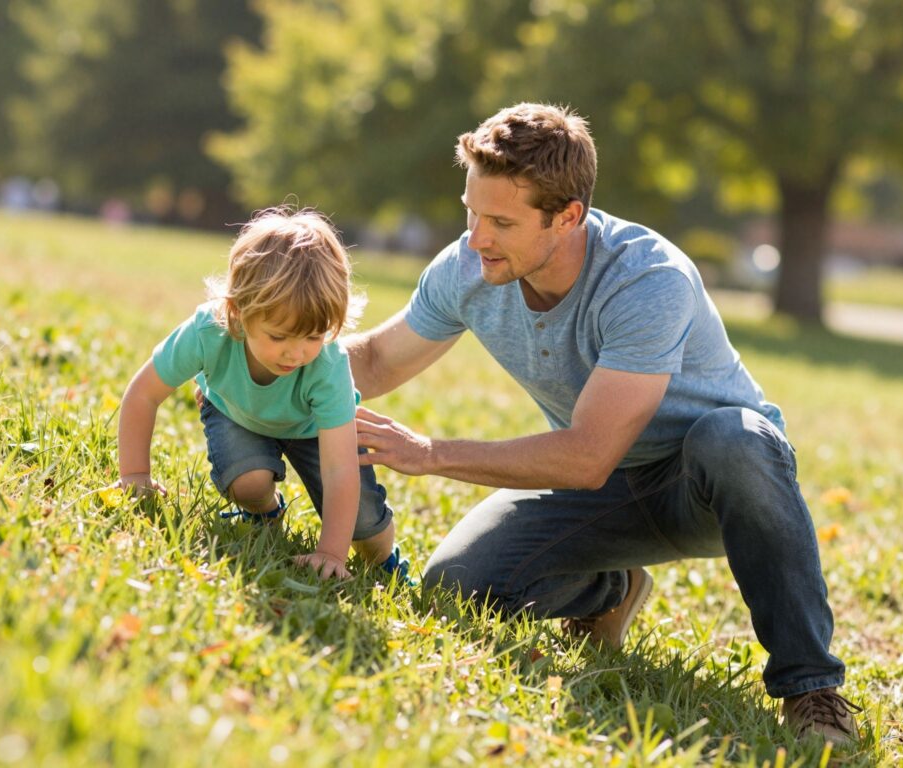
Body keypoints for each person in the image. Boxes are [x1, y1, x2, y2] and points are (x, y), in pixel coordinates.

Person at [346, 103, 860, 744]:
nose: (477, 237)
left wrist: (429, 453)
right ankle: (608, 589)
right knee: (456, 585)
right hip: (601, 489)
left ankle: (812, 690)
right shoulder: (470, 267)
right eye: (471, 211)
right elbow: (371, 360)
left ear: (568, 216)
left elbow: (587, 453)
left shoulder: (647, 278)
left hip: (703, 484)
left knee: (735, 439)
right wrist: (259, 355)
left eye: (501, 221)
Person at [116, 207, 409, 581]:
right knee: (248, 481)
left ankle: (386, 560)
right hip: (235, 411)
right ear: (237, 313)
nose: (296, 353)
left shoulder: (327, 365)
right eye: (278, 336)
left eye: (313, 337)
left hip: (311, 430)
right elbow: (143, 394)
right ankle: (264, 512)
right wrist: (136, 475)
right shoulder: (208, 331)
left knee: (366, 529)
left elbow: (339, 469)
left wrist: (332, 553)